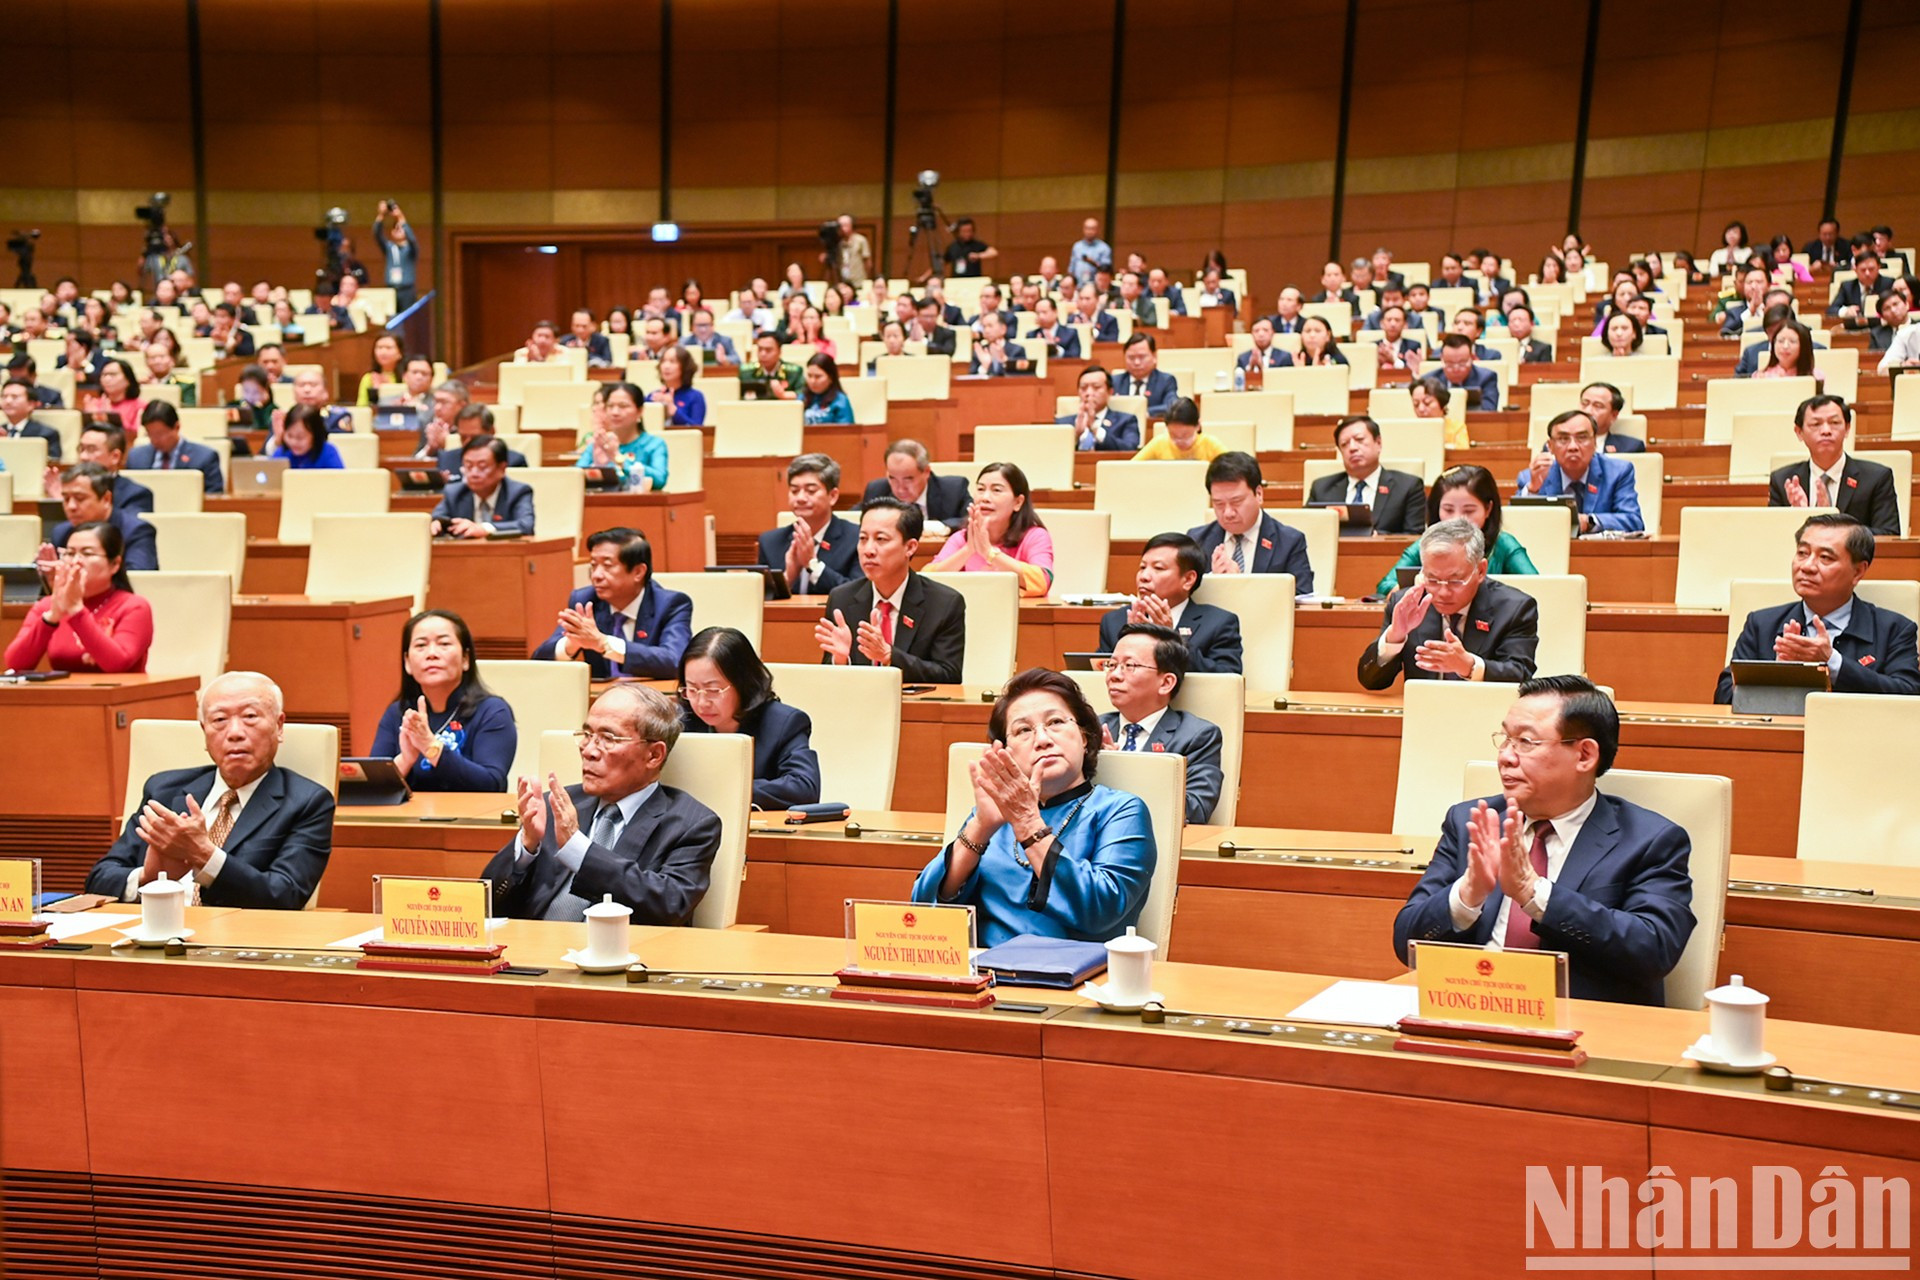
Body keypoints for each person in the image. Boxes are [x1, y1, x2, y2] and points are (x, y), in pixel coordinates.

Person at [1393, 675, 1695, 1005]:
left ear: (1584, 755)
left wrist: (1533, 893)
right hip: (1472, 1008)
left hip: (1584, 1027)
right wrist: (1467, 895)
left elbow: (1653, 950)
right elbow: (1406, 940)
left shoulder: (1650, 841)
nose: (1506, 757)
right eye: (1505, 739)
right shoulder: (1471, 822)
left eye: (1525, 742)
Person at [910, 668, 1154, 946]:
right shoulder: (993, 816)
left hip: (1076, 979)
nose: (1042, 739)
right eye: (1023, 730)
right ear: (1006, 752)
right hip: (986, 974)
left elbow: (1101, 910)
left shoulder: (1121, 810)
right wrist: (980, 828)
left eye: (1056, 722)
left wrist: (1027, 823)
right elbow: (923, 911)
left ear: (1085, 737)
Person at [85, 671, 335, 910]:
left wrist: (203, 854)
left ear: (279, 726)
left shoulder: (307, 802)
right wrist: (148, 877)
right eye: (219, 720)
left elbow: (285, 895)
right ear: (205, 733)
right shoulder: (164, 790)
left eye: (250, 717)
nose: (235, 733)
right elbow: (99, 880)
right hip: (152, 933)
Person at [486, 684, 721, 924]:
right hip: (533, 954)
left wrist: (577, 848)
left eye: (608, 738)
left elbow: (670, 905)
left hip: (622, 957)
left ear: (654, 755)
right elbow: (487, 905)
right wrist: (527, 846)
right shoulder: (554, 806)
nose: (588, 751)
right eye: (587, 735)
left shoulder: (691, 824)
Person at [1715, 513, 1920, 702]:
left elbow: (1909, 694)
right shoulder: (1761, 624)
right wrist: (1776, 674)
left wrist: (1834, 663)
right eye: (1802, 553)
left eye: (1825, 558)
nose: (1807, 566)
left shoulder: (1895, 629)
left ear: (1858, 571)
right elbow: (1723, 695)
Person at [1358, 518, 1540, 688]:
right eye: (1432, 579)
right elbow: (1371, 681)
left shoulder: (1515, 608)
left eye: (1455, 581)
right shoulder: (1408, 605)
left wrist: (1469, 666)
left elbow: (1521, 676)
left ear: (1481, 570)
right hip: (1425, 715)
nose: (1443, 592)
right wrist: (1394, 637)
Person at [815, 498, 966, 684]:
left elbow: (948, 674)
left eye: (881, 539)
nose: (868, 550)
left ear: (910, 547)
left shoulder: (944, 603)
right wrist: (840, 660)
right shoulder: (842, 598)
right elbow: (828, 678)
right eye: (863, 539)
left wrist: (888, 655)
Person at [369, 610, 518, 791]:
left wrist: (430, 746)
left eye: (444, 644)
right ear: (407, 662)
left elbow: (491, 784)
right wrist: (405, 760)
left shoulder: (492, 711)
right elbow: (373, 789)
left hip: (472, 817)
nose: (432, 654)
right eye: (421, 645)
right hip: (409, 818)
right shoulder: (399, 713)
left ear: (465, 658)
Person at [677, 627, 821, 810]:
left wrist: (726, 788)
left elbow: (804, 788)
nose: (702, 702)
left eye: (713, 690)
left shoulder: (783, 723)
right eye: (692, 689)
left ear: (743, 683)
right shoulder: (680, 721)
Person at [1097, 624, 1224, 825]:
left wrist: (1118, 767)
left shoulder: (1197, 736)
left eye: (1129, 666)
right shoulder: (1089, 728)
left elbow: (1195, 809)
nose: (1114, 675)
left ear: (1166, 683)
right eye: (1111, 665)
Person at [534, 527, 692, 679]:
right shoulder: (585, 601)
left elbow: (675, 661)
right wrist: (571, 644)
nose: (596, 575)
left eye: (607, 566)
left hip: (652, 701)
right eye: (593, 565)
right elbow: (538, 663)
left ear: (638, 572)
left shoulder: (671, 604)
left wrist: (603, 643)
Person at [6, 522, 153, 674]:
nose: (76, 561)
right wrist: (51, 617)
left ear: (115, 564)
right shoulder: (47, 605)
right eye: (69, 553)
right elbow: (15, 664)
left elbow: (118, 664)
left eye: (87, 554)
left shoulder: (134, 606)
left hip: (119, 695)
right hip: (63, 695)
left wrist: (76, 610)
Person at [1376, 464, 1537, 595]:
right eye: (1448, 509)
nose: (1457, 519)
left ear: (1488, 509)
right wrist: (1417, 588)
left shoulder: (1503, 544)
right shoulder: (1426, 543)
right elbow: (1386, 585)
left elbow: (1538, 586)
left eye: (1468, 511)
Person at [1098, 533, 1242, 675]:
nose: (1144, 577)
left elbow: (1227, 679)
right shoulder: (1114, 621)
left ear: (1188, 579)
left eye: (1158, 568)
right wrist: (1131, 640)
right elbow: (1097, 671)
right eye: (1142, 567)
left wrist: (1172, 640)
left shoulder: (1218, 623)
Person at [1766, 394, 1900, 536]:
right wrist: (1798, 516)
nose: (1826, 431)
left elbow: (1888, 535)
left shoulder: (1876, 478)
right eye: (1816, 424)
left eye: (1834, 423)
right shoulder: (1783, 481)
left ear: (1847, 428)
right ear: (1799, 432)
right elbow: (1773, 535)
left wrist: (1834, 524)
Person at [1187, 452, 1314, 592]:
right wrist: (1213, 580)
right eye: (1219, 504)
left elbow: (1301, 598)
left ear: (1259, 494)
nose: (1228, 513)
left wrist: (1241, 584)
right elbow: (1183, 596)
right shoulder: (1197, 539)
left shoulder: (1289, 542)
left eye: (1237, 502)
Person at [929, 462, 1054, 598]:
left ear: (1018, 502)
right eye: (981, 489)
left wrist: (990, 553)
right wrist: (968, 550)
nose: (985, 498)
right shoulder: (962, 537)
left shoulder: (1035, 536)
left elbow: (1042, 581)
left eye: (996, 490)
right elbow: (928, 579)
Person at [1516, 410, 1643, 534]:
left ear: (1595, 443)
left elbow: (1633, 521)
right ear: (1550, 446)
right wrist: (1533, 490)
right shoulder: (1532, 477)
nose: (1573, 447)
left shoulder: (1618, 472)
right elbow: (1515, 524)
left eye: (1582, 438)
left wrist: (1589, 522)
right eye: (1563, 439)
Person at [758, 453, 863, 594]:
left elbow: (858, 593)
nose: (800, 498)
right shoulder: (770, 542)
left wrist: (812, 564)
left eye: (810, 491)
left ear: (832, 496)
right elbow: (759, 597)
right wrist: (788, 578)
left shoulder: (857, 538)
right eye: (794, 491)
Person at [1309, 415, 1426, 536]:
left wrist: (1378, 537)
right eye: (1344, 444)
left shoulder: (1407, 486)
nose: (1352, 448)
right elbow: (1308, 530)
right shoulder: (1321, 489)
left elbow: (1415, 538)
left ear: (1378, 443)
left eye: (1359, 440)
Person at [46, 462, 159, 571]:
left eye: (80, 498)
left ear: (106, 499)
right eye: (66, 499)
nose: (71, 506)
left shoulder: (136, 531)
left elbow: (136, 579)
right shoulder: (61, 532)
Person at [431, 436, 536, 539]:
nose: (474, 473)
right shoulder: (454, 492)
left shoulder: (518, 492)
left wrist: (484, 528)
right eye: (469, 466)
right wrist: (437, 524)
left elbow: (526, 525)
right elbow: (437, 518)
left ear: (502, 468)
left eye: (482, 467)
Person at [859, 438, 972, 528]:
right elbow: (852, 518)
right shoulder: (876, 491)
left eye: (908, 479)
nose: (900, 488)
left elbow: (971, 519)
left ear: (926, 472)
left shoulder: (953, 490)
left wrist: (939, 526)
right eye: (892, 478)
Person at [578, 382, 668, 491]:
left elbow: (659, 479)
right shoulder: (600, 443)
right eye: (610, 406)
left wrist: (617, 457)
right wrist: (595, 465)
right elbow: (573, 476)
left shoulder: (654, 444)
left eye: (623, 406)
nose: (615, 412)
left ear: (640, 411)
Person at [126, 401, 224, 494]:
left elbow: (214, 499)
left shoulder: (205, 458)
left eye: (160, 434)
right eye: (149, 434)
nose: (154, 440)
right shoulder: (135, 457)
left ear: (177, 427)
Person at [1058, 365, 1142, 452]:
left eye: (1096, 387)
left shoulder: (1126, 421)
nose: (1089, 393)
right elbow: (1052, 452)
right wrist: (1075, 436)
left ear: (1110, 392)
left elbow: (1130, 449)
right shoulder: (1063, 424)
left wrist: (1095, 429)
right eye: (1083, 388)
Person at [434, 404, 529, 473]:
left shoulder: (514, 461)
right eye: (463, 437)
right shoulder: (446, 459)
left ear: (491, 432)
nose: (468, 443)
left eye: (475, 437)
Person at [1131, 395, 1227, 463]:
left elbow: (1234, 469)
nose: (1180, 441)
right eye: (1173, 436)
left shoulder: (1210, 444)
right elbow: (1131, 468)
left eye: (1185, 436)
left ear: (1198, 426)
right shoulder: (1160, 443)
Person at [1113, 333, 1180, 418]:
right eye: (1131, 358)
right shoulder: (1115, 382)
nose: (1136, 362)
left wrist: (1144, 412)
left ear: (1154, 357)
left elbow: (1172, 405)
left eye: (1142, 357)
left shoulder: (1165, 381)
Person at [0, 376, 65, 460]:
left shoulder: (47, 434)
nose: (8, 401)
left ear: (31, 404)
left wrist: (8, 446)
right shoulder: (1, 431)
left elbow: (53, 463)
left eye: (14, 397)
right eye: (4, 397)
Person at [1432, 333, 1500, 411]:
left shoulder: (1487, 378)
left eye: (1462, 363)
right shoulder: (1430, 379)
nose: (1456, 369)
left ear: (1472, 358)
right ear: (1442, 359)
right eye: (1450, 363)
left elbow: (1488, 412)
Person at [373, 200, 418, 310]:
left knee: (408, 320)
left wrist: (400, 217)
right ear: (391, 232)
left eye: (401, 228)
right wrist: (381, 215)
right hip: (391, 289)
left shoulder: (411, 248)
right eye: (395, 228)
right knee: (391, 320)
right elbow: (377, 235)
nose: (398, 229)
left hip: (407, 289)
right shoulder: (389, 247)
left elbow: (412, 239)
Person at [270, 404, 345, 469]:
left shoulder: (328, 452)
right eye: (289, 436)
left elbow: (340, 480)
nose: (293, 442)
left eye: (300, 437)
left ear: (315, 435)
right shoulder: (282, 453)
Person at [1576, 382, 1644, 454]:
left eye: (1598, 406)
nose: (1588, 411)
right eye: (1584, 404)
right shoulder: (1563, 443)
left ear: (1613, 415)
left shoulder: (1630, 447)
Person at [648, 343, 706, 426]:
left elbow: (697, 428)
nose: (666, 366)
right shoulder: (653, 396)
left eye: (672, 361)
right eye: (663, 361)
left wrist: (673, 410)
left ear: (684, 367)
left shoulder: (695, 396)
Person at [85, 358, 145, 437]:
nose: (107, 379)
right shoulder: (95, 404)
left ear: (128, 380)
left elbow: (136, 437)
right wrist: (88, 418)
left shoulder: (140, 406)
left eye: (113, 374)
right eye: (104, 375)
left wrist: (112, 419)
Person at [740, 332, 806, 400]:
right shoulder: (746, 372)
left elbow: (803, 395)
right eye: (760, 349)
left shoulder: (794, 372)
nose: (763, 354)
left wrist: (784, 395)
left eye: (768, 350)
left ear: (779, 351)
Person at [1828, 251, 1891, 321]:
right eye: (1863, 270)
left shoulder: (1889, 284)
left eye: (1871, 269)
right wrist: (1846, 311)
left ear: (1879, 267)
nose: (1867, 273)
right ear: (1855, 270)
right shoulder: (1847, 287)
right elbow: (1831, 310)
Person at [1756, 320, 1820, 382]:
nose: (1785, 346)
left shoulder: (1816, 377)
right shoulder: (1761, 377)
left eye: (1792, 341)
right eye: (1781, 341)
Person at [354, 332, 406, 404]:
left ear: (399, 353)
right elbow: (362, 408)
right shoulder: (368, 378)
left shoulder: (406, 377)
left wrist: (386, 389)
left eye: (388, 348)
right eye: (379, 347)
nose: (383, 352)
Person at [1068, 217, 1111, 287]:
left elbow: (1106, 270)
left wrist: (1092, 262)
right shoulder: (1077, 246)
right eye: (1087, 228)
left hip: (1095, 287)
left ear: (1097, 230)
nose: (1089, 231)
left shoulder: (1104, 248)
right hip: (1078, 285)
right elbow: (1071, 267)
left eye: (1092, 229)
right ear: (1083, 229)